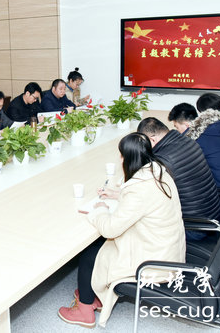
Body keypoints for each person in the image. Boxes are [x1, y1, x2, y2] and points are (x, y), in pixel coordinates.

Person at [58, 133, 185, 328]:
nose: (120, 159)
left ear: (127, 158)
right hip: (167, 248)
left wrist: (100, 209)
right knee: (102, 247)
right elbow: (147, 200)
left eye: (121, 155)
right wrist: (119, 194)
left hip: (152, 259)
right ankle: (93, 294)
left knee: (90, 255)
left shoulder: (138, 190)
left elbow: (110, 229)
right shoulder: (159, 171)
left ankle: (84, 310)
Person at [137, 117, 220, 231]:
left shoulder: (163, 159)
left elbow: (150, 196)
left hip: (193, 225)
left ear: (152, 139)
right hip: (211, 213)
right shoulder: (188, 141)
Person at [168, 103, 220, 189]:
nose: (178, 132)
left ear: (187, 125)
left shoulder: (196, 143)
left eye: (177, 127)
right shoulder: (211, 131)